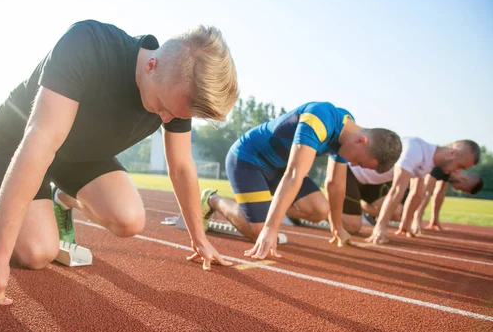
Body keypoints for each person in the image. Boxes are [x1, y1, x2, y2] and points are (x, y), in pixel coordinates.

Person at [0, 19, 239, 314]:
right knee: (37, 254)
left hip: (81, 155)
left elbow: (181, 167)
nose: (166, 120)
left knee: (130, 220)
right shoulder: (88, 43)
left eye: (176, 117)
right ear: (151, 65)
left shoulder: (176, 98)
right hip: (23, 139)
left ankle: (59, 200)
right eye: (163, 109)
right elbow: (41, 140)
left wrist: (199, 239)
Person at [200, 101, 401, 259]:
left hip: (281, 168)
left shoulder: (348, 133)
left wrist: (337, 226)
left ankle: (266, 207)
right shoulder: (319, 118)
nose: (354, 166)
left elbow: (335, 183)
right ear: (361, 141)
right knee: (259, 232)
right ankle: (212, 199)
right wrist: (271, 228)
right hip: (249, 160)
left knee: (321, 210)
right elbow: (294, 175)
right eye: (358, 161)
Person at [364, 138, 480, 244]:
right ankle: (361, 210)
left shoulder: (429, 162)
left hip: (369, 183)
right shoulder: (416, 150)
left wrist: (406, 225)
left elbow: (417, 194)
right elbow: (398, 190)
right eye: (460, 166)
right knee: (352, 226)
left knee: (398, 210)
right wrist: (380, 227)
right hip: (356, 177)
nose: (459, 172)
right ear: (451, 154)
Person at [409, 169, 483, 235]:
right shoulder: (444, 166)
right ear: (464, 179)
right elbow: (426, 192)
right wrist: (416, 219)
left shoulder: (450, 173)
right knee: (400, 212)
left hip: (413, 178)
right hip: (406, 174)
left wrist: (435, 219)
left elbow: (440, 192)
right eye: (462, 189)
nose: (458, 190)